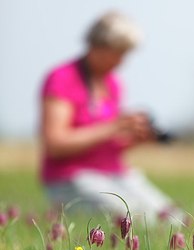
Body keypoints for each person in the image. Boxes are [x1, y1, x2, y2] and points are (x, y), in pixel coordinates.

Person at [40, 11, 184, 223]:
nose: (121, 61)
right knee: (136, 220)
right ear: (98, 46)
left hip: (116, 175)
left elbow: (107, 144)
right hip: (71, 177)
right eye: (118, 53)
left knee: (174, 220)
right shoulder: (63, 78)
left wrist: (138, 139)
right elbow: (55, 143)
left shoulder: (112, 84)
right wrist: (113, 126)